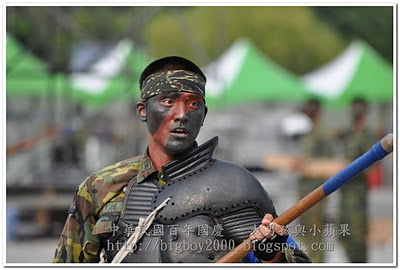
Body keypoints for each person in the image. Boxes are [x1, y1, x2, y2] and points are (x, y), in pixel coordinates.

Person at [53, 56, 311, 263]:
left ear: (204, 113)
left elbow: (292, 260)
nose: (181, 114)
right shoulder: (100, 188)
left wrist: (272, 256)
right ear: (143, 110)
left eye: (193, 103)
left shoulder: (237, 186)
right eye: (168, 101)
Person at [338, 98, 376, 262]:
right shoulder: (349, 134)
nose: (355, 111)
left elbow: (372, 166)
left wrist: (351, 167)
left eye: (358, 108)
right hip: (345, 192)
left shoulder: (367, 135)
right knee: (344, 233)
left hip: (358, 193)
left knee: (358, 236)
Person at [296, 99, 333, 263]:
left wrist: (311, 167)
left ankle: (318, 263)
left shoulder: (322, 135)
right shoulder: (307, 134)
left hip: (317, 191)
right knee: (307, 232)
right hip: (305, 190)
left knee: (316, 232)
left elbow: (329, 163)